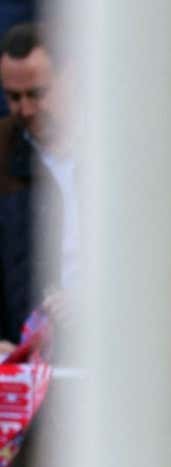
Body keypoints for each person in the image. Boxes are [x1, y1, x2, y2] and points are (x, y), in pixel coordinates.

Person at [0, 22, 71, 348]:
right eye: (13, 97)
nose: (25, 109)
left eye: (37, 94)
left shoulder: (116, 150)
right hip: (21, 364)